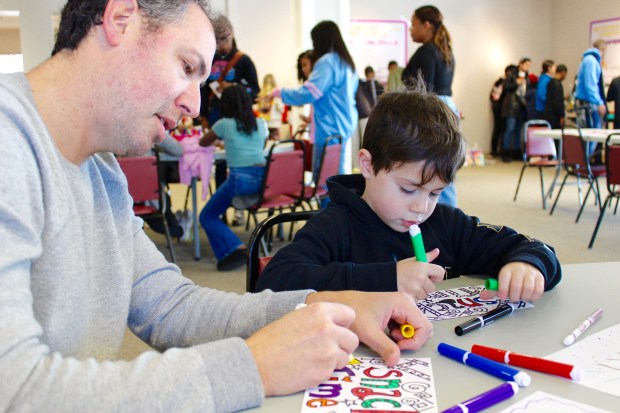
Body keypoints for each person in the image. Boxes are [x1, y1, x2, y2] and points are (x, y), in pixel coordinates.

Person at [0, 1, 435, 411]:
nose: (194, 104)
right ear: (119, 18)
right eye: (186, 67)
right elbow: (16, 391)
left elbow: (169, 306)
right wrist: (253, 367)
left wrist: (324, 303)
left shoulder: (103, 171)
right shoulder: (9, 139)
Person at [257, 87, 562, 302]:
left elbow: (533, 247)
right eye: (408, 189)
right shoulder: (335, 227)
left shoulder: (445, 223)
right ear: (368, 164)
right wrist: (387, 279)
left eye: (435, 193)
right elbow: (273, 285)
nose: (421, 207)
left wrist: (527, 265)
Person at [271, 20, 359, 176]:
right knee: (337, 174)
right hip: (344, 126)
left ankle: (328, 202)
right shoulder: (346, 62)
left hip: (328, 129)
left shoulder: (327, 62)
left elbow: (308, 94)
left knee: (325, 181)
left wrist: (280, 93)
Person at [198, 85, 268, 270]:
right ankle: (234, 248)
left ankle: (236, 248)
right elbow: (261, 145)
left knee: (207, 215)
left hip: (240, 180)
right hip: (263, 180)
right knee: (212, 212)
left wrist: (223, 140)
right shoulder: (260, 123)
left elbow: (203, 142)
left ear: (225, 104)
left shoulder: (224, 124)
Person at [199, 14, 260, 226]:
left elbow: (255, 90)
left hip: (238, 118)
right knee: (220, 163)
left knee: (237, 163)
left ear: (231, 36)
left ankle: (239, 209)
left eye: (223, 39)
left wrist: (234, 89)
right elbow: (202, 89)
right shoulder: (209, 58)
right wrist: (203, 116)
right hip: (215, 116)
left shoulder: (243, 61)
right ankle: (222, 208)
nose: (220, 45)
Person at [401, 5, 459, 207]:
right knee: (443, 167)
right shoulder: (445, 51)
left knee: (431, 167)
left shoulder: (426, 52)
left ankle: (441, 216)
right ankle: (448, 214)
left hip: (432, 111)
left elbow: (424, 93)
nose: (410, 29)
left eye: (414, 24)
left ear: (426, 25)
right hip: (446, 107)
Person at [575, 39, 607, 154]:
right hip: (588, 104)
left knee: (585, 137)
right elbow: (590, 85)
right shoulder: (592, 61)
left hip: (584, 103)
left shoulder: (586, 59)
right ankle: (584, 165)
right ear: (603, 49)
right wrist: (599, 102)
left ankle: (583, 165)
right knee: (591, 136)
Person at [500, 64, 527, 162]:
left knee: (518, 132)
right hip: (511, 108)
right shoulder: (511, 76)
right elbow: (506, 88)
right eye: (526, 64)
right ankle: (506, 153)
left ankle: (517, 152)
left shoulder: (526, 77)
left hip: (521, 108)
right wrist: (517, 83)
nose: (527, 67)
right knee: (509, 130)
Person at [544, 64, 568, 129]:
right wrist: (561, 116)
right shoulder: (558, 85)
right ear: (563, 73)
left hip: (548, 113)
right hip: (555, 116)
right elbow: (558, 102)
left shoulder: (550, 82)